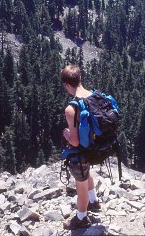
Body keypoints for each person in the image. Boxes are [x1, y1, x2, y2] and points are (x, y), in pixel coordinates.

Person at [61, 64, 100, 230]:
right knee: (87, 172)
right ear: (80, 78)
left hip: (81, 152)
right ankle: (94, 201)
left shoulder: (71, 109)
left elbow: (75, 141)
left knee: (80, 184)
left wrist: (66, 133)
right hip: (95, 147)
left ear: (67, 85)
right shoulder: (94, 97)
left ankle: (81, 217)